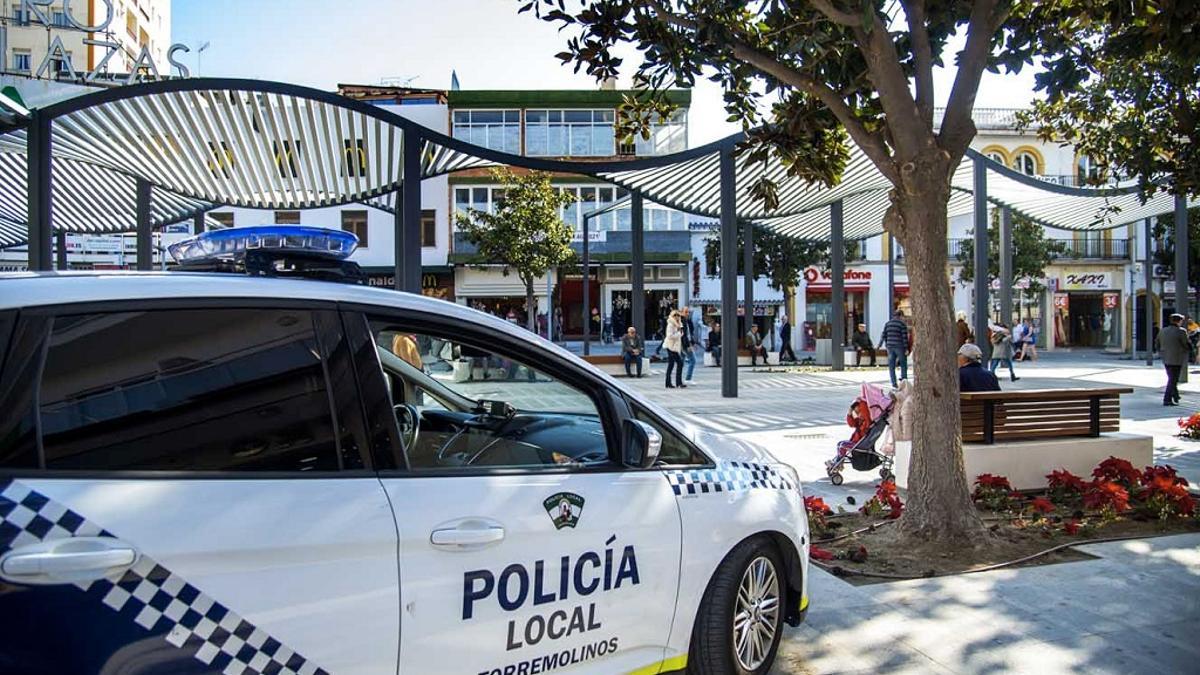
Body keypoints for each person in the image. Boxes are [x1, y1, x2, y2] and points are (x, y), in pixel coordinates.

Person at [1157, 313, 1190, 406]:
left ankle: (1176, 395)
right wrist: (1189, 350)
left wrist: (1161, 352)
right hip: (1177, 358)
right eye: (1181, 321)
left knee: (1171, 377)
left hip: (1165, 358)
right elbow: (1186, 343)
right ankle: (1167, 399)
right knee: (1173, 379)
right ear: (1179, 321)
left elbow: (1157, 343)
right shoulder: (1181, 331)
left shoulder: (1163, 331)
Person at [878, 310, 910, 387]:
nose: (903, 318)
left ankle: (894, 383)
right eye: (903, 316)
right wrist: (906, 348)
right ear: (901, 316)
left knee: (891, 366)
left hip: (890, 346)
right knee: (903, 364)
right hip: (899, 346)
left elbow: (883, 335)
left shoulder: (888, 323)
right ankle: (904, 382)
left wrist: (881, 344)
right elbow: (904, 337)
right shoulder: (902, 324)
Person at [664, 309, 685, 388]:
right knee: (678, 363)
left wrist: (680, 334)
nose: (677, 317)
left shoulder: (679, 324)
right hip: (670, 346)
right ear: (672, 316)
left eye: (678, 315)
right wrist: (679, 334)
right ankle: (677, 382)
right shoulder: (671, 324)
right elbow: (669, 336)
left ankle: (670, 383)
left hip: (675, 347)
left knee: (672, 364)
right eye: (675, 315)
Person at [680, 307, 697, 383]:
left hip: (685, 344)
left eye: (688, 312)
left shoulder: (687, 321)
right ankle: (688, 378)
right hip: (684, 344)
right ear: (682, 312)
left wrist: (693, 343)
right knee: (693, 360)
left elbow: (690, 334)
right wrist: (688, 346)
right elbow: (684, 336)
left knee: (681, 362)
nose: (687, 313)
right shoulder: (682, 321)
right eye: (686, 312)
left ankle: (679, 379)